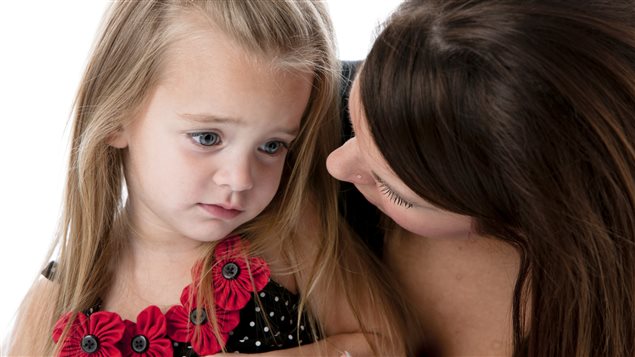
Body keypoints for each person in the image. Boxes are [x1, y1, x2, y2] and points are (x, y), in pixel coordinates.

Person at [7, 1, 408, 356]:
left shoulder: (286, 238)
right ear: (117, 117)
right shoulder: (58, 302)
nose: (240, 179)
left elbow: (387, 342)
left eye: (272, 146)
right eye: (207, 138)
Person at [328, 0, 635, 356]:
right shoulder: (293, 119)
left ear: (534, 218)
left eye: (395, 193)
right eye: (354, 122)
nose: (335, 165)